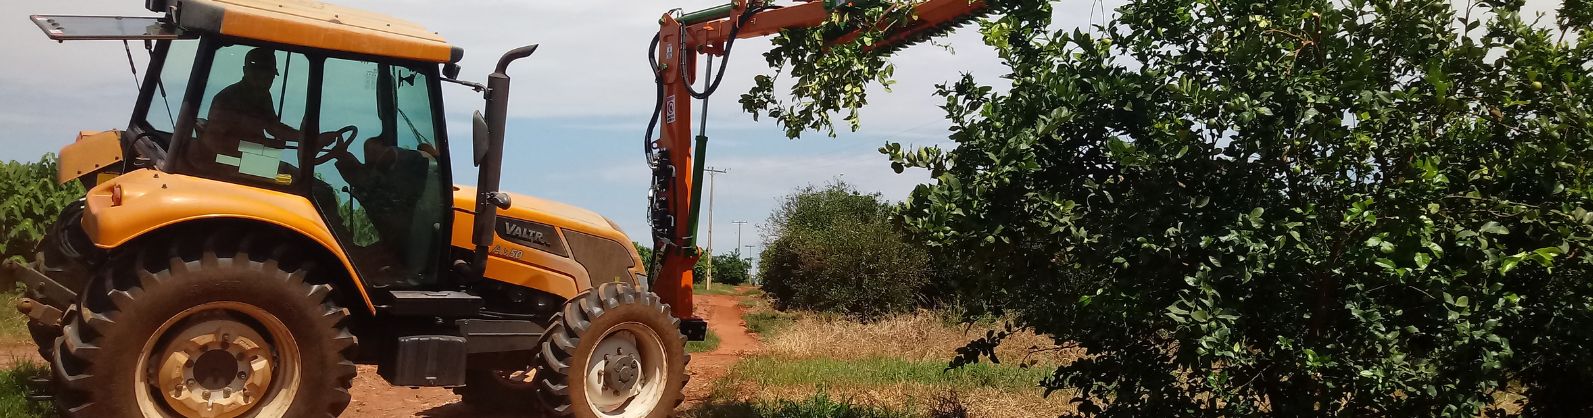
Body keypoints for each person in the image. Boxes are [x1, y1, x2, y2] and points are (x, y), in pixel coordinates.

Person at [187, 47, 328, 177]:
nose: (268, 81)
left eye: (270, 76)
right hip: (228, 166)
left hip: (250, 161)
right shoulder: (227, 99)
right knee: (308, 186)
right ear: (246, 71)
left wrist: (308, 138)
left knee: (300, 178)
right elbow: (213, 143)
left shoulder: (262, 96)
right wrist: (262, 144)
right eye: (262, 76)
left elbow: (274, 128)